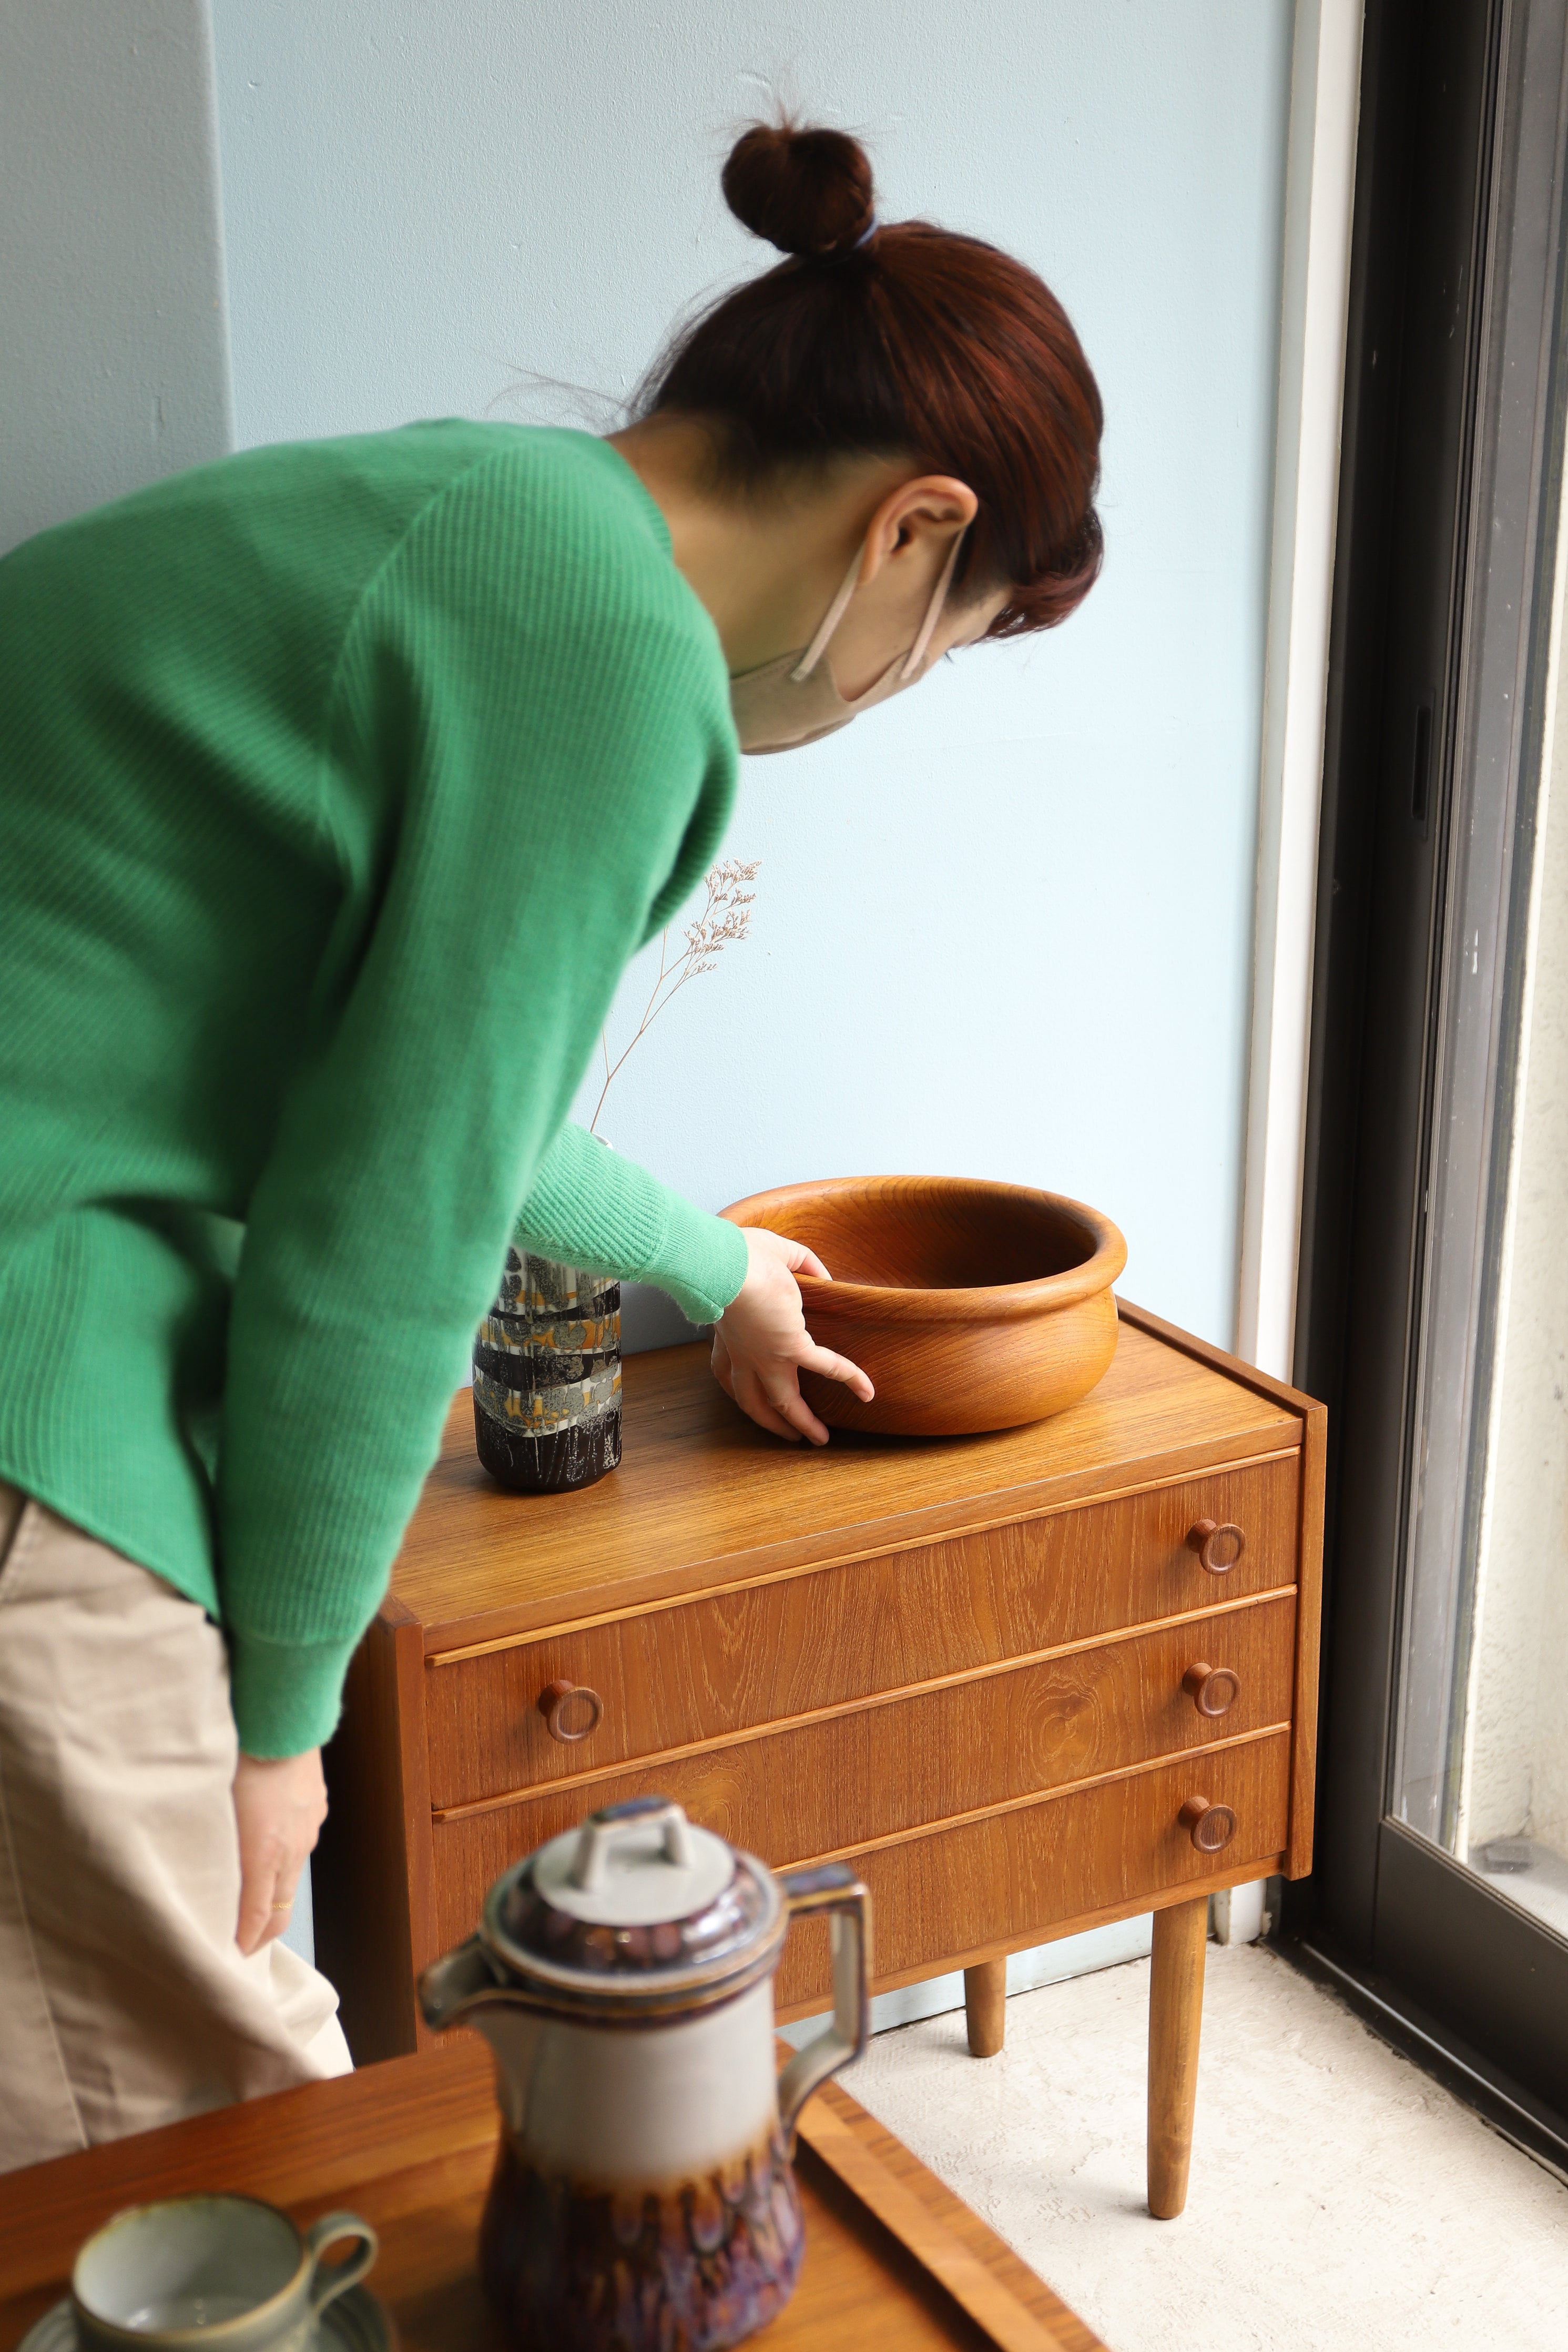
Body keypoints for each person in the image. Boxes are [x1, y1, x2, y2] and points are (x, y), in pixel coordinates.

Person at [0, 120, 1102, 2166]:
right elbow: (386, 1221)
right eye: (929, 658)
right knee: (214, 2146)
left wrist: (722, 1259)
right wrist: (281, 1719)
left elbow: (420, 1092)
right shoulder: (609, 656)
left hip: (56, 1235)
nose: (872, 704)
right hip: (30, 1342)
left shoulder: (497, 516)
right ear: (908, 528)